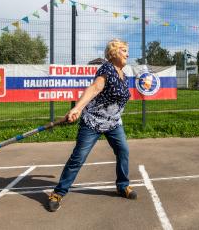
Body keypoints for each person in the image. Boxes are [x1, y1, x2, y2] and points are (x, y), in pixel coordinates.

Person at [47, 38, 137, 212]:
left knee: (123, 151)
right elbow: (94, 88)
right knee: (78, 158)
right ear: (114, 53)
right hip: (93, 122)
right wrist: (77, 108)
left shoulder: (124, 76)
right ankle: (58, 193)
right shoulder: (107, 68)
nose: (128, 54)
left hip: (113, 123)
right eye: (124, 50)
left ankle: (122, 185)